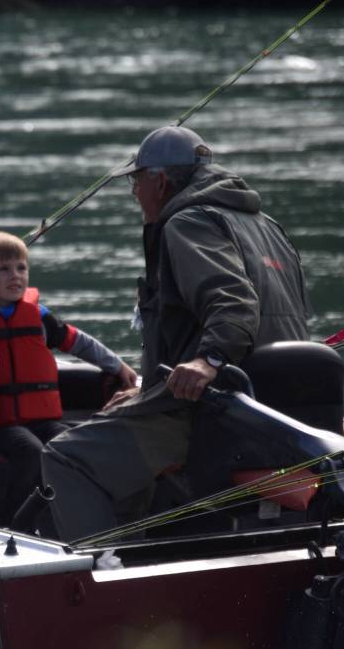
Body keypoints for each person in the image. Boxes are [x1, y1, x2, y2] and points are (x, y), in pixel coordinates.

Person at [41, 126, 311, 543]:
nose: (134, 193)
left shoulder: (185, 224)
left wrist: (208, 361)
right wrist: (148, 389)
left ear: (160, 182)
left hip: (214, 416)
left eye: (136, 180)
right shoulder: (267, 226)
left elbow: (235, 304)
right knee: (118, 419)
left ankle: (105, 579)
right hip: (284, 415)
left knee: (66, 455)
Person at [0, 231, 137, 526]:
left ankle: (74, 520)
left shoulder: (38, 315)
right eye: (4, 269)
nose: (15, 276)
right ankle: (9, 525)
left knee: (74, 445)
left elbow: (78, 342)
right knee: (32, 453)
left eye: (21, 268)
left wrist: (117, 365)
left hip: (41, 419)